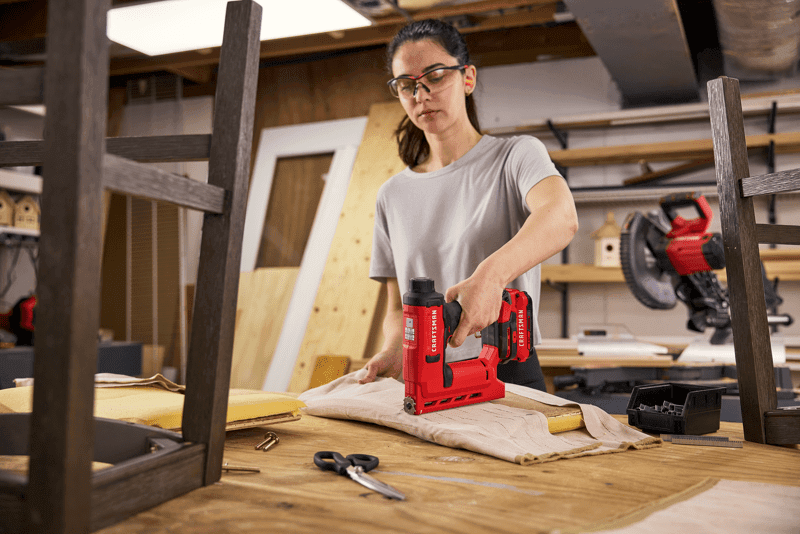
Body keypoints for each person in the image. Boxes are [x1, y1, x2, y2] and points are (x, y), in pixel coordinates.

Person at [358, 18, 578, 390]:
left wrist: (491, 277)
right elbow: (397, 308)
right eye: (406, 85)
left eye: (436, 75)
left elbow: (560, 217)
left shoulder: (515, 156)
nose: (421, 93)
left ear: (468, 78)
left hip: (506, 372)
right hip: (426, 375)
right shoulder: (392, 195)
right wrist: (395, 347)